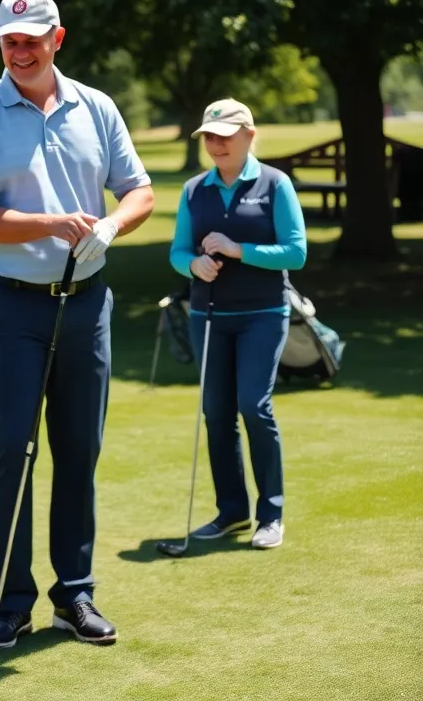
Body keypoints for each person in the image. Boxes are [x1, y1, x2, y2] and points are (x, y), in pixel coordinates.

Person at [0, 0, 155, 649]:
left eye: (31, 38)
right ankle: (11, 603)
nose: (20, 49)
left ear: (57, 38)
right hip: (11, 304)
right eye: (9, 40)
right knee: (15, 449)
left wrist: (114, 226)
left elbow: (139, 190)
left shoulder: (95, 106)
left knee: (79, 450)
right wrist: (57, 223)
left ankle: (76, 595)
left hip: (87, 303)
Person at [169, 98, 306, 550]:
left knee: (254, 405)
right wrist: (194, 267)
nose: (217, 143)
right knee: (217, 414)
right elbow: (178, 252)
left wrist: (237, 249)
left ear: (250, 135)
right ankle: (232, 513)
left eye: (226, 135)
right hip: (208, 316)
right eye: (210, 136)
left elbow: (296, 252)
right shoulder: (194, 190)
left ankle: (272, 514)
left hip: (263, 314)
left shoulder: (275, 184)